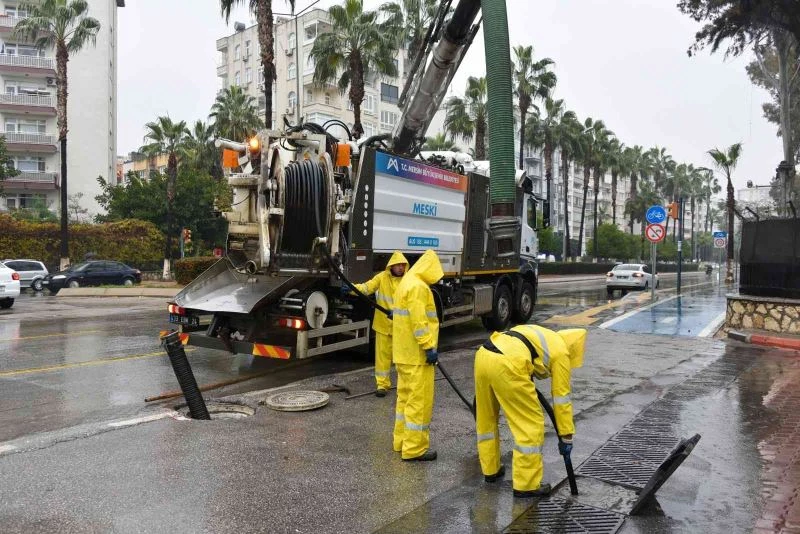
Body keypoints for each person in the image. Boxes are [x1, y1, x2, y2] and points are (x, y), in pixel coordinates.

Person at [473, 324, 586, 497]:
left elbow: (520, 345)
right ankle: (526, 484)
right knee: (530, 424)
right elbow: (561, 399)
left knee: (486, 417)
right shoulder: (562, 354)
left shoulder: (546, 336)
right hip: (509, 363)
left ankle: (490, 469)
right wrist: (566, 436)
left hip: (484, 354)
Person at [392, 249, 443, 461]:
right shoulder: (419, 287)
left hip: (403, 354)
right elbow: (419, 322)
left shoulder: (406, 282)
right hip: (417, 357)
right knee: (418, 403)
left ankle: (401, 441)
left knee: (404, 400)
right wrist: (429, 347)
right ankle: (414, 449)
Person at [346, 251, 409, 396]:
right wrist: (351, 288)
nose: (400, 267)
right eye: (397, 265)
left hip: (401, 327)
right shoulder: (382, 277)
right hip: (383, 325)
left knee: (402, 359)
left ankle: (404, 387)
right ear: (391, 266)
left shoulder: (408, 281)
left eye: (402, 265)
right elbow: (367, 288)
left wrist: (398, 313)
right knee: (382, 359)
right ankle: (382, 385)